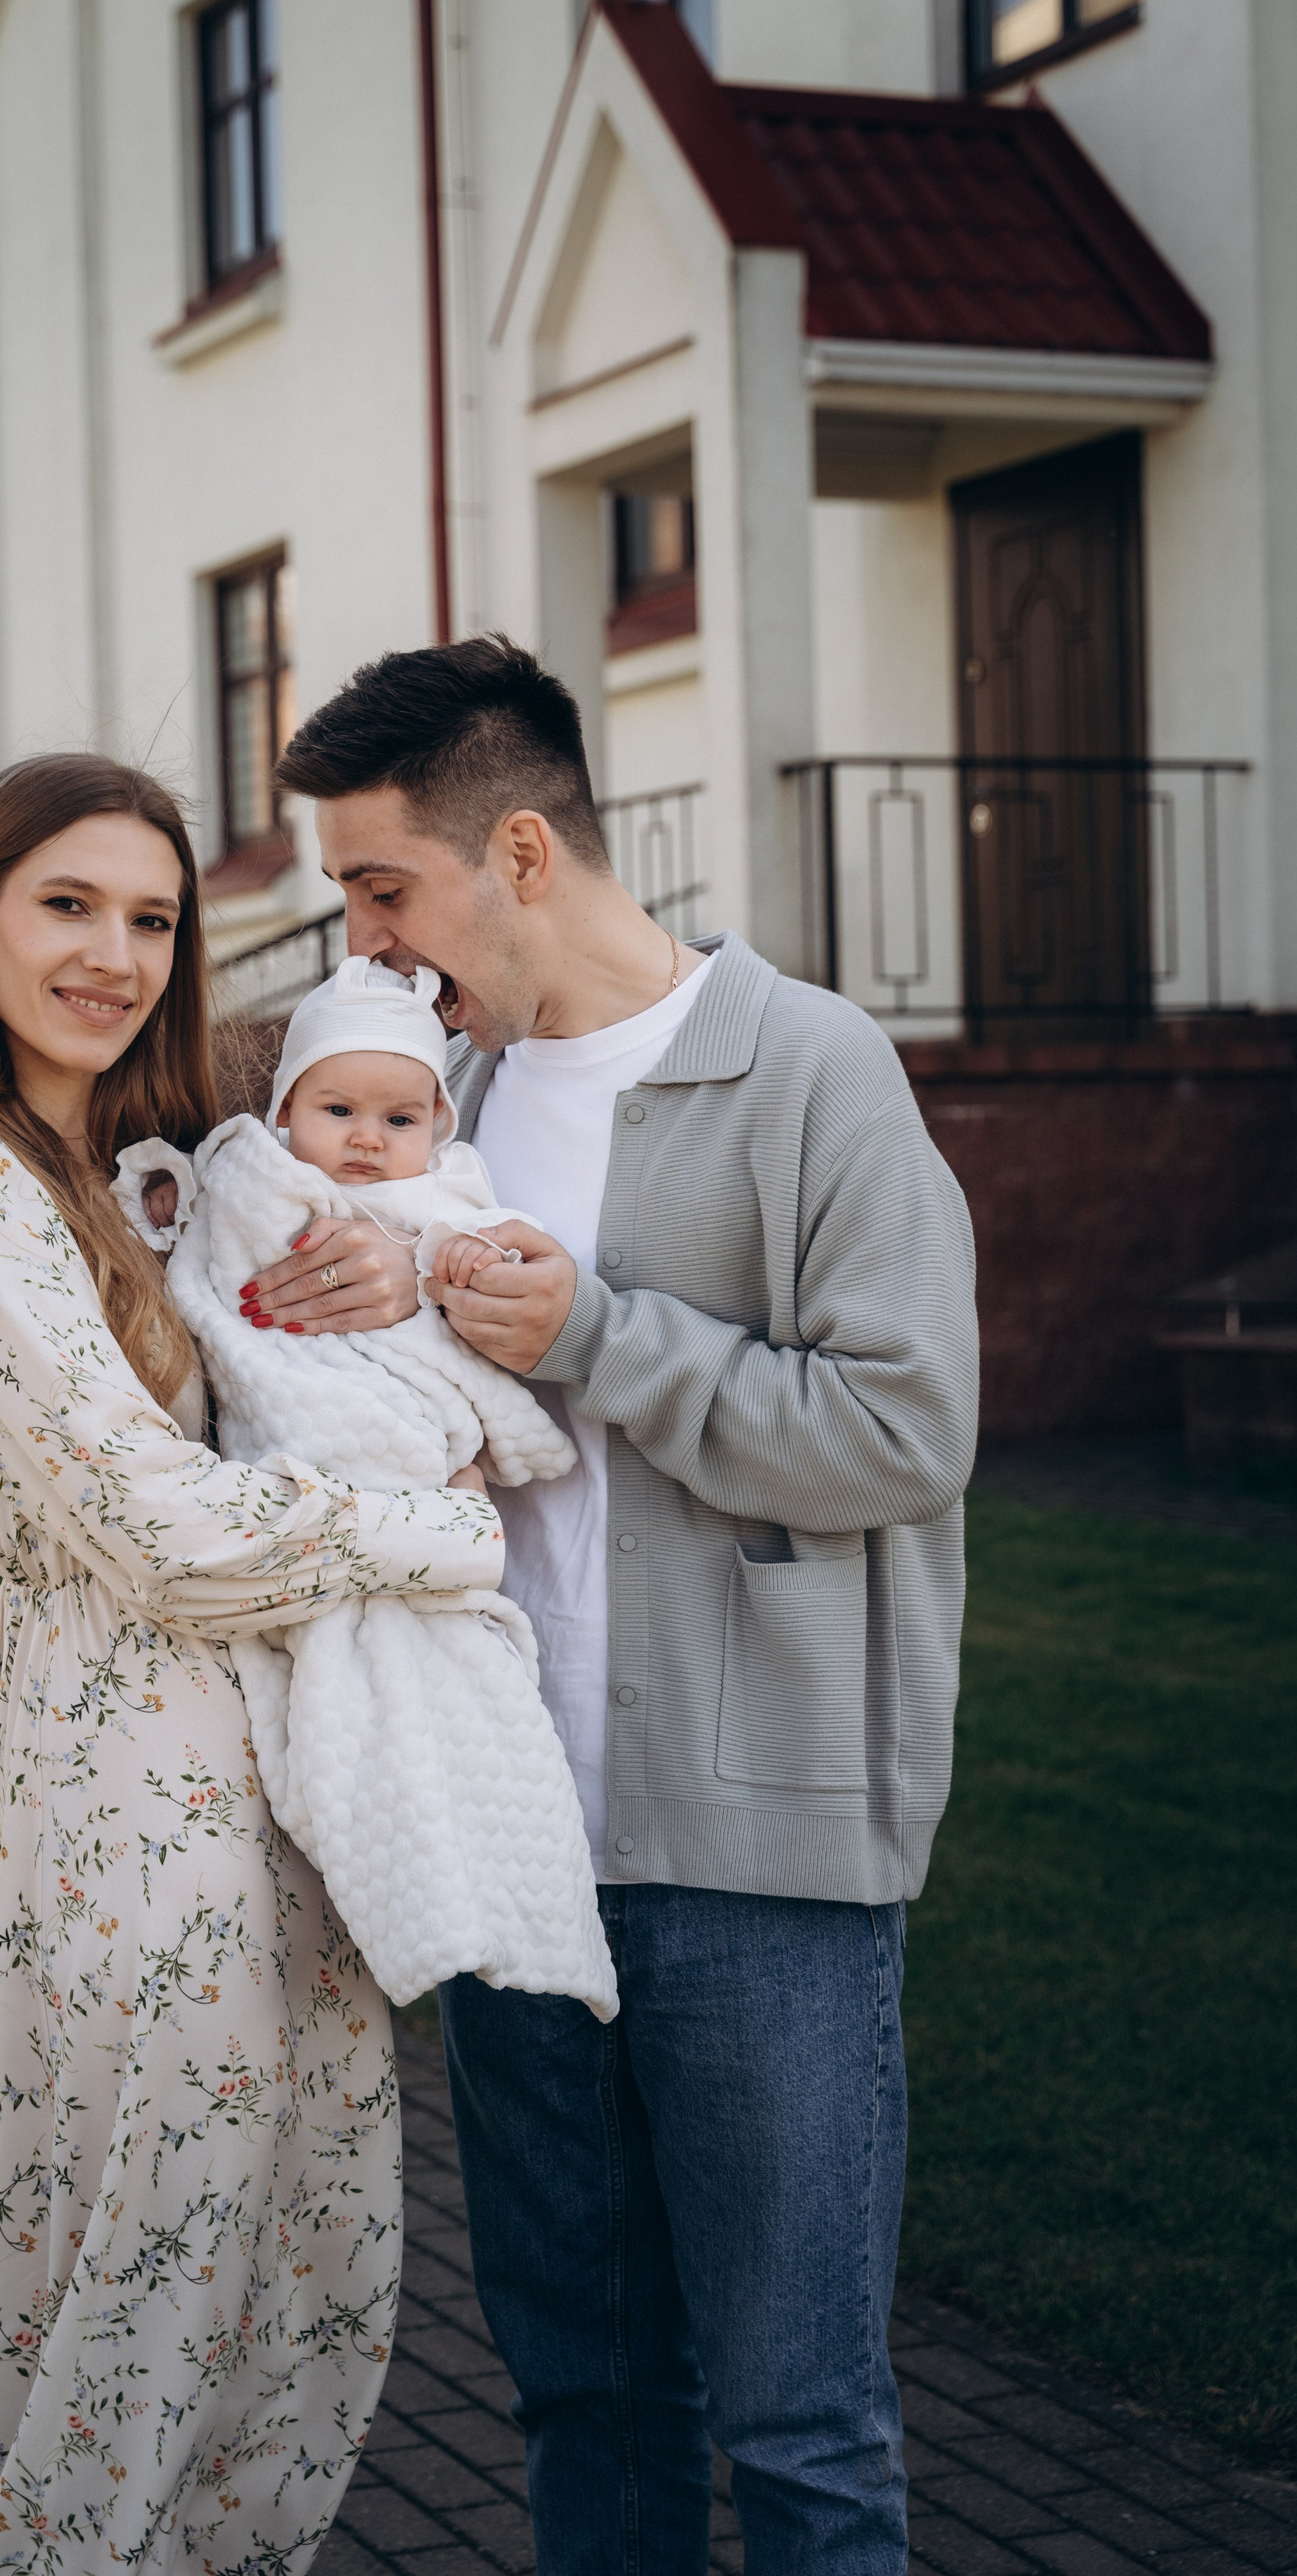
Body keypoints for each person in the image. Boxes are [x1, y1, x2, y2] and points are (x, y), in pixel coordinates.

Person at [260, 637, 981, 2575]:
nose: (376, 945)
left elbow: (907, 1432)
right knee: (590, 2405)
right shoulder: (440, 1107)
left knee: (804, 2431)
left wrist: (599, 1336)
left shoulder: (805, 1065)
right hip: (513, 1855)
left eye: (384, 890)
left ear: (516, 851)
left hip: (759, 1862)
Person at [0, 754, 505, 2576]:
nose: (115, 952)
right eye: (67, 904)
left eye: (150, 916)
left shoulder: (144, 1183)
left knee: (306, 2252)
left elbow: (303, 1356)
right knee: (146, 2272)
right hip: (125, 1770)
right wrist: (444, 1536)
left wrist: (378, 1291)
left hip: (280, 1761)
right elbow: (155, 1526)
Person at [108, 955, 615, 2021]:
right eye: (337, 1108)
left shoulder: (452, 1198)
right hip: (304, 1447)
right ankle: (420, 1895)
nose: (368, 1140)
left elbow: (478, 1292)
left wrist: (429, 1269)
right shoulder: (258, 1179)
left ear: (437, 1121)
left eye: (398, 1117)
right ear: (286, 1108)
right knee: (352, 1695)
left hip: (411, 1453)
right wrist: (166, 1202)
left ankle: (501, 1905)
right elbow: (193, 1241)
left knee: (469, 1711)